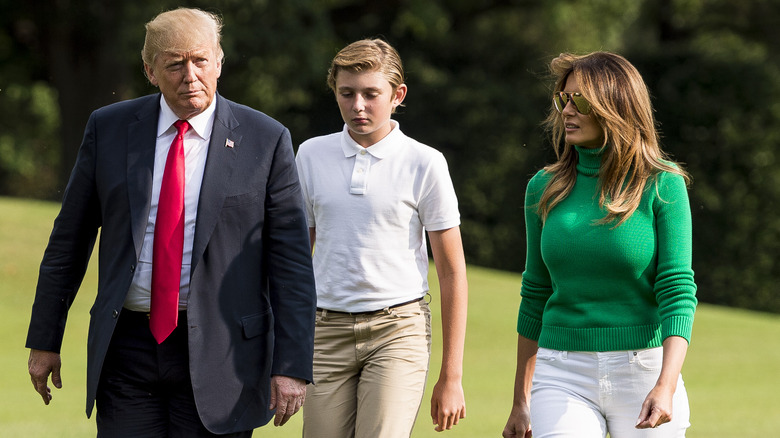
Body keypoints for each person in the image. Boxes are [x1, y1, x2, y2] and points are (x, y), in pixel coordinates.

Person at [26, 7, 316, 437]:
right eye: (175, 64)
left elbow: (291, 264)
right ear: (150, 70)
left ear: (219, 61)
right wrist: (46, 339)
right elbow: (69, 240)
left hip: (224, 354)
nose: (190, 75)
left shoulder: (266, 139)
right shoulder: (109, 128)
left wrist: (291, 366)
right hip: (127, 347)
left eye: (200, 61)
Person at [502, 51, 698, 438]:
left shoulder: (662, 184)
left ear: (616, 106)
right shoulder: (543, 187)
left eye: (581, 101)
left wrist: (666, 384)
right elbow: (535, 292)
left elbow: (678, 290)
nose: (567, 111)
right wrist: (520, 401)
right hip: (561, 373)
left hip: (644, 369)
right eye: (563, 99)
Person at [295, 38, 468, 437]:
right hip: (324, 331)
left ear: (397, 95)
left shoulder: (425, 163)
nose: (358, 105)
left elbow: (452, 271)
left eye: (371, 94)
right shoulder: (309, 155)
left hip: (398, 330)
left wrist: (451, 377)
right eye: (347, 93)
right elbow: (297, 261)